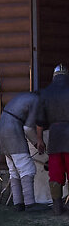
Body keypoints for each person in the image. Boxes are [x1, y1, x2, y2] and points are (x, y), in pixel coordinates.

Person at [0, 91, 44, 212]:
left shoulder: (24, 97)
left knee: (14, 170)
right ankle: (30, 204)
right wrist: (37, 142)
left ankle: (18, 203)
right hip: (12, 130)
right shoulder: (37, 101)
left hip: (1, 128)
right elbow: (28, 128)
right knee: (26, 168)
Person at [36, 63, 69, 216]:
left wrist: (40, 140)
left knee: (55, 172)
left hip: (55, 136)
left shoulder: (46, 93)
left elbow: (40, 121)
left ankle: (57, 208)